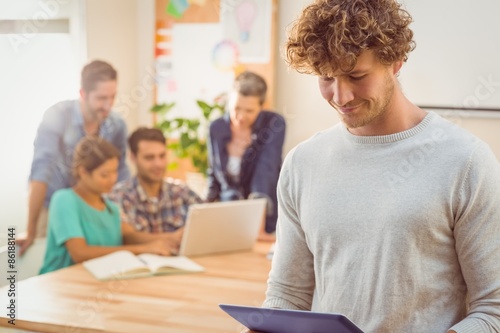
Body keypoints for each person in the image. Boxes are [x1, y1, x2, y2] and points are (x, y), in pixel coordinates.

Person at [244, 0, 500, 332]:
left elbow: (492, 309)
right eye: (326, 79)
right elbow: (287, 295)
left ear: (396, 61)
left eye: (356, 75)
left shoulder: (466, 161)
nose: (341, 96)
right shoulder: (302, 163)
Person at [18, 60, 130, 255]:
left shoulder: (116, 125)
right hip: (53, 206)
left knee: (90, 261)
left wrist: (121, 217)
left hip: (92, 208)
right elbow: (41, 171)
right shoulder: (58, 116)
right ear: (83, 94)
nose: (108, 105)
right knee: (50, 259)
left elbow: (121, 175)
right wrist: (31, 229)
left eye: (112, 97)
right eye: (101, 98)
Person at [39, 136, 176, 274]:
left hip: (98, 282)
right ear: (83, 172)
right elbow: (80, 253)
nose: (113, 179)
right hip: (59, 283)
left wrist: (172, 237)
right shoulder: (64, 200)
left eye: (115, 171)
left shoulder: (112, 208)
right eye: (104, 175)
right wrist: (142, 249)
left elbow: (132, 235)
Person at [206, 71, 286, 240]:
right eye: (236, 108)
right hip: (228, 217)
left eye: (249, 110)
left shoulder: (274, 124)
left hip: (264, 221)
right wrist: (202, 211)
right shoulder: (216, 128)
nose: (240, 116)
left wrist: (258, 229)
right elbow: (214, 174)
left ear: (262, 106)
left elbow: (266, 170)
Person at [109, 127, 202, 235]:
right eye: (149, 158)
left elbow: (209, 222)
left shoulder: (183, 192)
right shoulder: (119, 196)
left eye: (162, 156)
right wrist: (172, 239)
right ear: (133, 158)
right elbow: (128, 237)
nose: (158, 164)